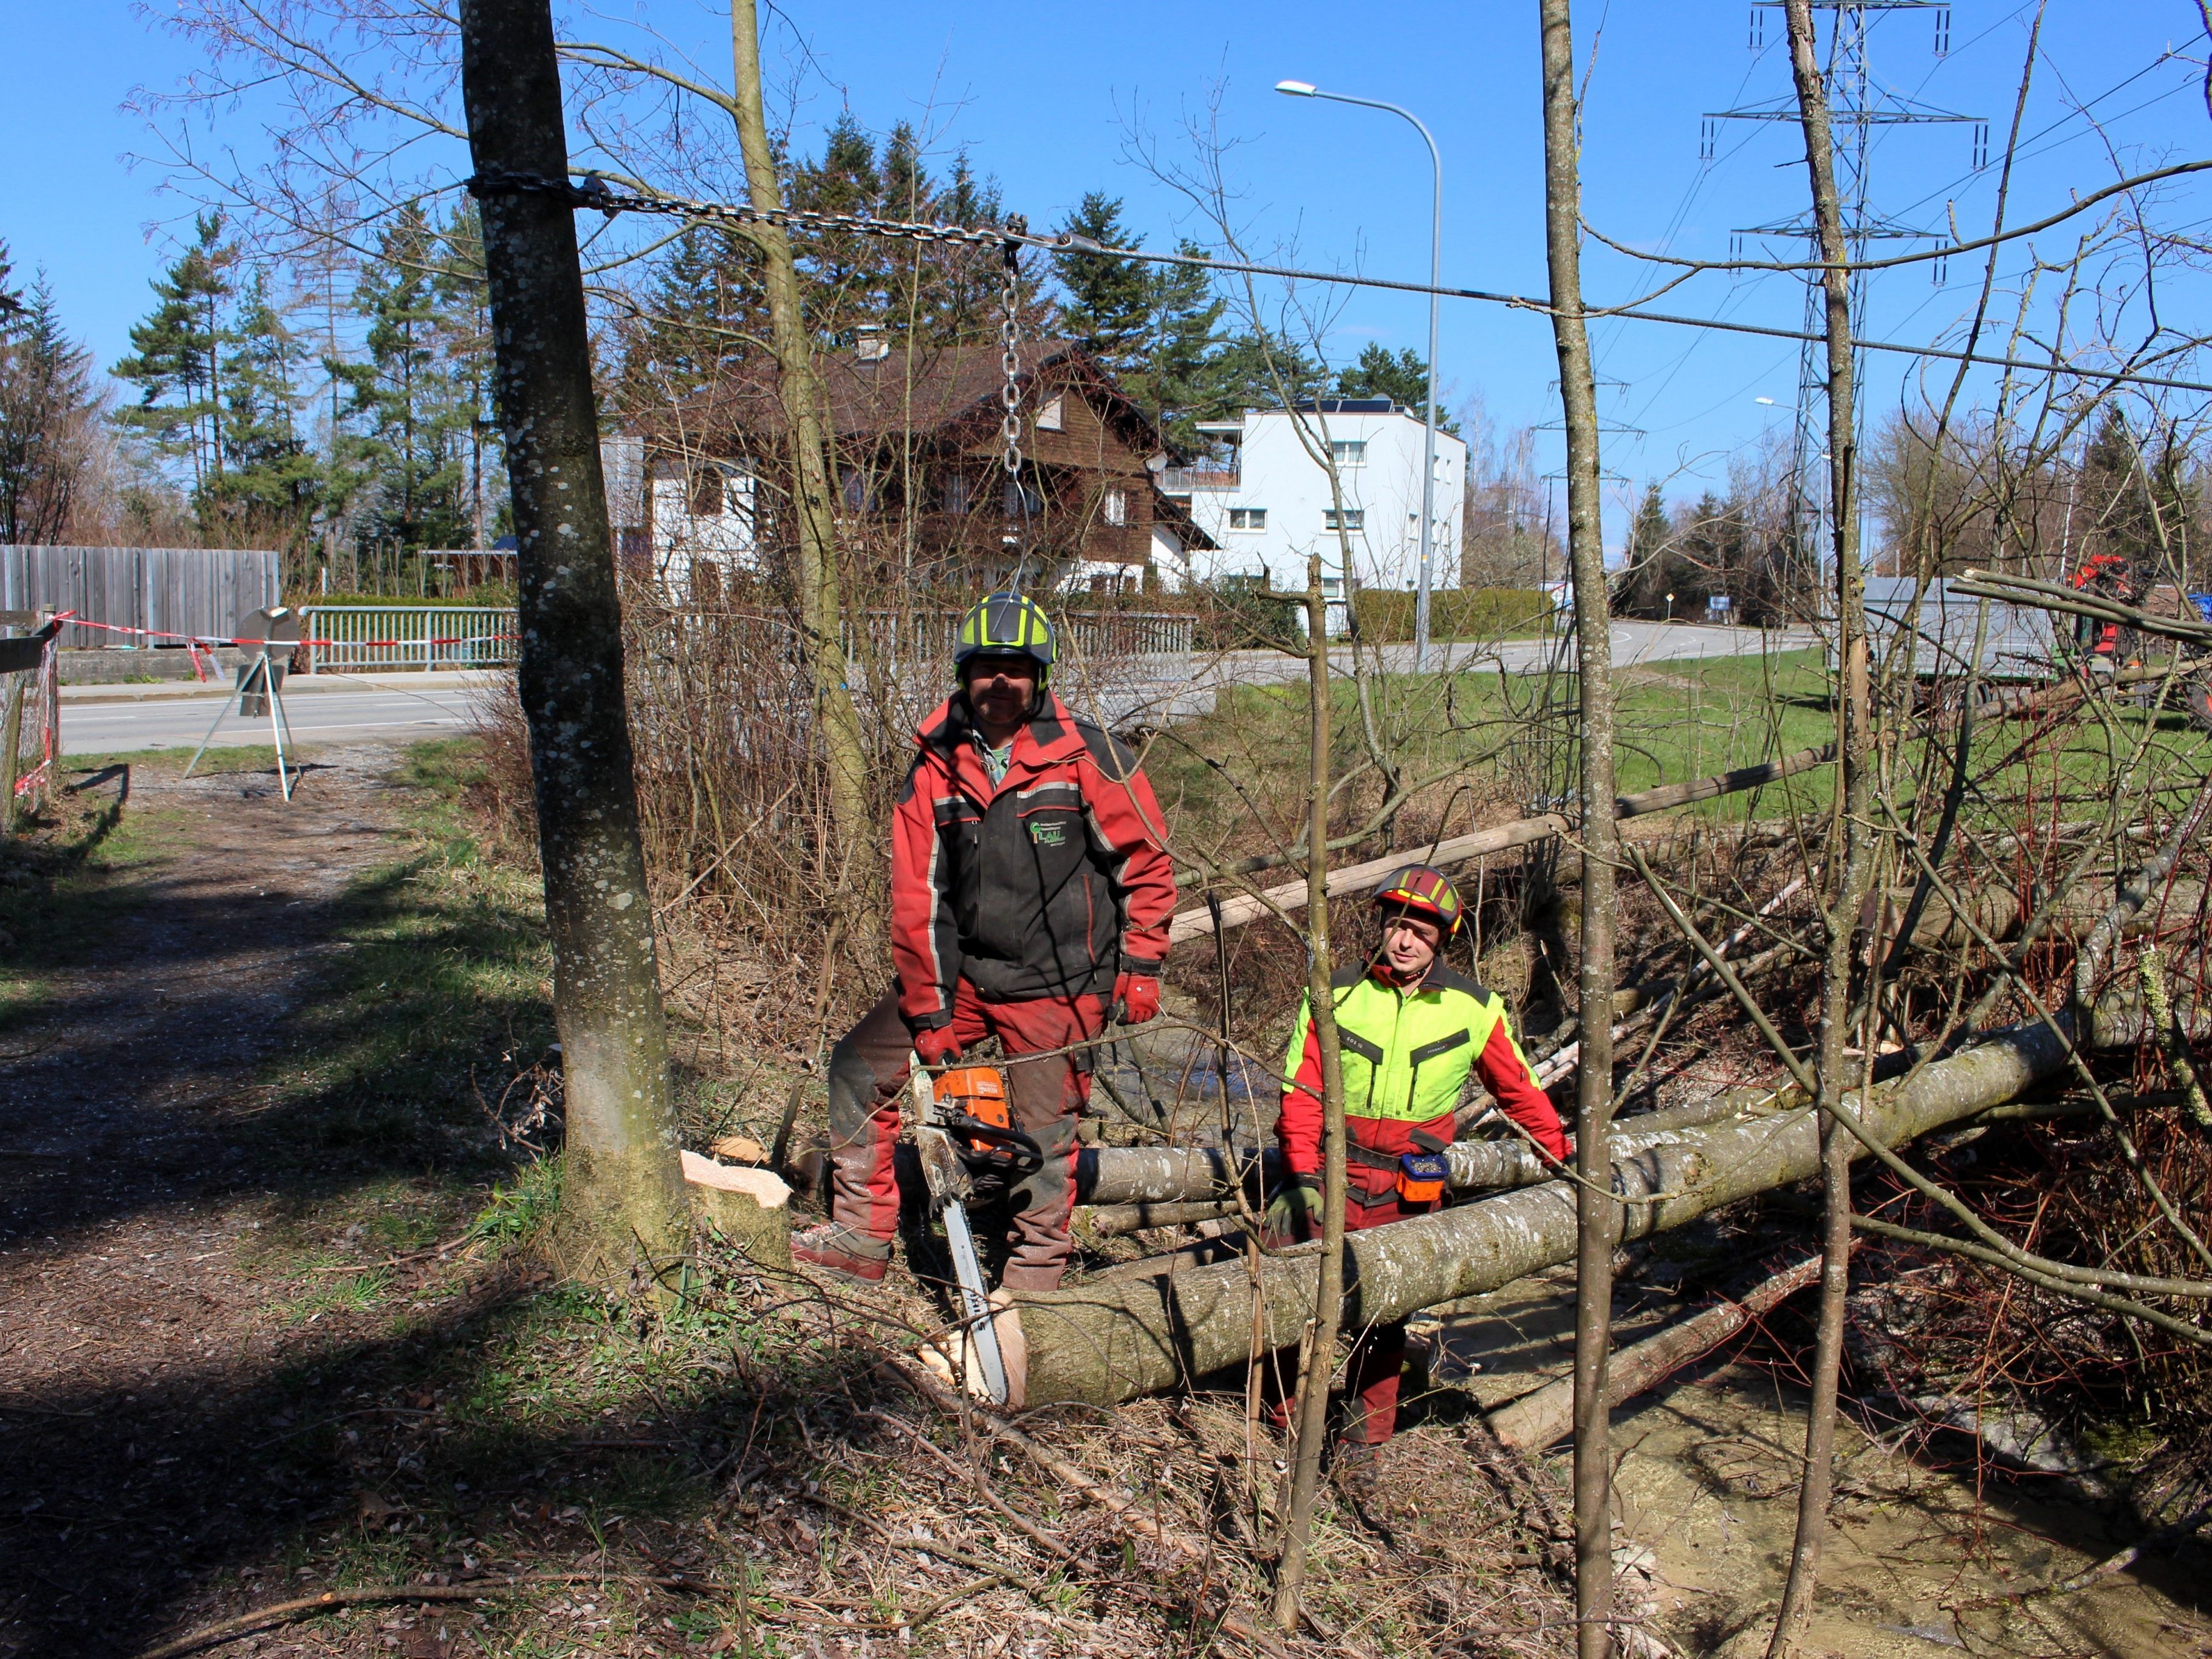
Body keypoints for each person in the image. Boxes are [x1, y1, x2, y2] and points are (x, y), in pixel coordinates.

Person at [794, 592, 1177, 1290]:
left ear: (1040, 676)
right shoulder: (934, 767)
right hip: (965, 975)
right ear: (962, 672)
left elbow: (1145, 865)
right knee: (857, 1068)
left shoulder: (1087, 756)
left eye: (1017, 669)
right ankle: (859, 1235)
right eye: (985, 669)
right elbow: (918, 898)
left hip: (1060, 982)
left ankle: (1033, 1279)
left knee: (1044, 1136)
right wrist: (931, 1009)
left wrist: (1143, 964)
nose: (1000, 684)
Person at [1266, 864, 1569, 1463]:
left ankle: (1362, 1443)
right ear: (1380, 925)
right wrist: (1301, 1178)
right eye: (1396, 925)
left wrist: (1557, 1155)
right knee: (1293, 1300)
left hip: (1407, 1188)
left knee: (1385, 1318)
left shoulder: (1474, 1009)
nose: (1404, 940)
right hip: (1329, 1171)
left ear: (1441, 941)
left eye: (1421, 932)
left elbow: (1520, 1090)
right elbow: (1299, 1094)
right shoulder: (1334, 992)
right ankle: (1279, 1428)